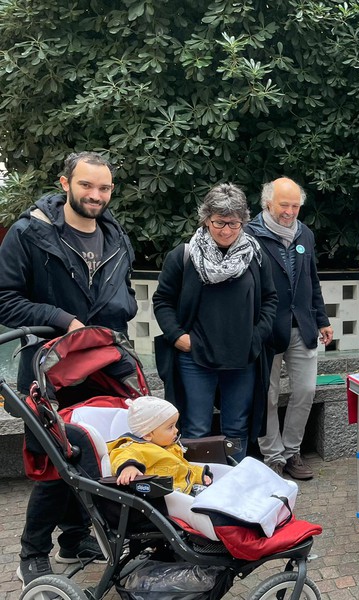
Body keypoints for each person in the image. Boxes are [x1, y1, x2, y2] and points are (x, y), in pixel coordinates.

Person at [0, 151, 136, 586]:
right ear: (65, 183)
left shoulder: (116, 237)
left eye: (104, 188)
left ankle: (74, 538)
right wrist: (62, 319)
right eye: (86, 185)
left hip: (100, 366)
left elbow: (123, 292)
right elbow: (5, 299)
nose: (96, 195)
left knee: (95, 453)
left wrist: (121, 313)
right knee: (56, 460)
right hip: (50, 368)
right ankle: (32, 552)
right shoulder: (29, 233)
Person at [153, 184, 277, 462]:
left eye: (233, 223)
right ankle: (197, 487)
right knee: (196, 427)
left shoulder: (255, 257)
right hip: (194, 358)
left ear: (243, 221)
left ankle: (233, 487)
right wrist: (177, 337)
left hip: (242, 359)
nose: (226, 230)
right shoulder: (184, 256)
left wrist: (256, 338)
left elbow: (270, 299)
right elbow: (162, 300)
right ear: (206, 219)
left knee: (236, 429)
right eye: (219, 222)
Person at [246, 178, 333, 480]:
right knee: (267, 394)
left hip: (303, 326)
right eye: (285, 205)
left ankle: (291, 452)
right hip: (267, 330)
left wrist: (322, 319)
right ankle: (272, 457)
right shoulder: (249, 235)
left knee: (306, 390)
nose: (290, 211)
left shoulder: (304, 234)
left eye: (295, 205)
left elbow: (312, 279)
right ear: (267, 202)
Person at [108, 396, 213, 494]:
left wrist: (200, 475)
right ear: (148, 434)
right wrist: (128, 467)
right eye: (170, 427)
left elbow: (183, 466)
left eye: (175, 425)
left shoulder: (169, 447)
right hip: (167, 495)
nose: (176, 430)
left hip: (185, 487)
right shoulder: (135, 448)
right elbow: (121, 456)